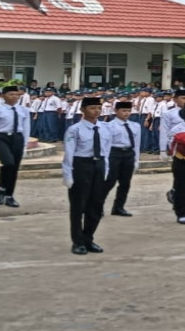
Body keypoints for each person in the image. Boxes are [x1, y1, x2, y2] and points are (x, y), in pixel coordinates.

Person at [62, 97, 112, 255]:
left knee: (96, 205)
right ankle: (77, 242)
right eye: (92, 108)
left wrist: (106, 170)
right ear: (82, 110)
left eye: (99, 108)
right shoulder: (74, 129)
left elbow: (107, 150)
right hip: (81, 165)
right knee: (79, 206)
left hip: (99, 166)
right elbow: (69, 153)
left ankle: (88, 238)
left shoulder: (104, 128)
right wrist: (68, 174)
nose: (96, 111)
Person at [0, 86, 30, 207]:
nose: (14, 97)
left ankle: (9, 196)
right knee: (8, 163)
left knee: (14, 168)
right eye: (11, 94)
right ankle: (1, 188)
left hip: (17, 138)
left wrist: (25, 144)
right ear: (4, 96)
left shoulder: (24, 110)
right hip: (1, 137)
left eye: (17, 95)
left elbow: (26, 128)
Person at [104, 101, 141, 217]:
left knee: (125, 183)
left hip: (128, 153)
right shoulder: (109, 126)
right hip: (114, 153)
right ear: (116, 111)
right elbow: (105, 145)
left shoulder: (135, 126)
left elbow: (137, 144)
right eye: (123, 111)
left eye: (129, 111)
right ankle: (97, 206)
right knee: (109, 182)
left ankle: (118, 207)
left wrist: (136, 159)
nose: (126, 113)